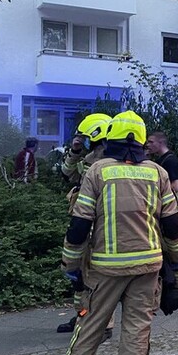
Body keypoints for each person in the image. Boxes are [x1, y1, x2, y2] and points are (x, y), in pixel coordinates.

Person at [55, 111, 178, 355]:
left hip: (104, 269)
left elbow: (79, 225)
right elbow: (172, 225)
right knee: (137, 330)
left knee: (90, 325)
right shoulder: (157, 173)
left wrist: (70, 265)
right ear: (141, 141)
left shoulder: (98, 171)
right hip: (148, 267)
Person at [56, 113, 114, 337]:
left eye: (86, 137)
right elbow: (66, 174)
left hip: (97, 223)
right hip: (82, 219)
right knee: (79, 275)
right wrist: (75, 151)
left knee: (96, 275)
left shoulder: (108, 161)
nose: (84, 140)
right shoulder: (90, 157)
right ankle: (82, 314)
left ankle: (103, 324)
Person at [145, 132, 178, 295]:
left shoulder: (170, 161)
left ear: (160, 143)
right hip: (163, 209)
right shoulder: (160, 161)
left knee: (175, 247)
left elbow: (175, 186)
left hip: (170, 210)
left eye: (151, 142)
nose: (147, 145)